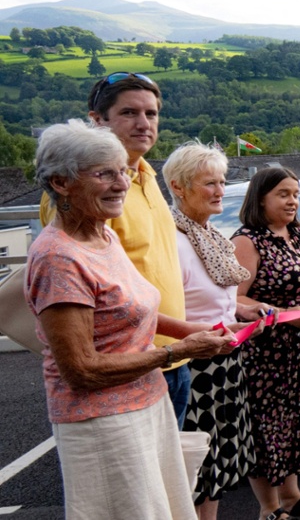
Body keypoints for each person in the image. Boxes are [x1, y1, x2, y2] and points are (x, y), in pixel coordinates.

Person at [27, 120, 234, 519]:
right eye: (104, 173)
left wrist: (195, 330)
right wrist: (176, 351)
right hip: (103, 423)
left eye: (122, 171)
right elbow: (81, 369)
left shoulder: (104, 236)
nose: (122, 183)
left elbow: (134, 309)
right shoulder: (58, 258)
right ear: (61, 182)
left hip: (146, 404)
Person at [40, 72, 192, 426]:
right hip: (123, 366)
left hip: (167, 359)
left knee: (167, 477)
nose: (143, 123)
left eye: (151, 114)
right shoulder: (83, 195)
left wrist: (188, 333)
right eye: (128, 113)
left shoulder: (145, 177)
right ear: (96, 120)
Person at [231, 167, 300, 519]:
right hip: (267, 353)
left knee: (296, 422)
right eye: (283, 194)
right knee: (268, 428)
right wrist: (282, 312)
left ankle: (291, 497)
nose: (292, 200)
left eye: (295, 194)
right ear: (261, 198)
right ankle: (269, 508)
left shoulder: (296, 232)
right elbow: (235, 300)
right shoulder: (247, 241)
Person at [164, 142, 260, 520]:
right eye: (209, 183)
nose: (220, 190)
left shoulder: (209, 235)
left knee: (218, 460)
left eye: (222, 182)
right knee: (195, 465)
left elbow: (217, 299)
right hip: (194, 364)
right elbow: (166, 310)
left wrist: (246, 310)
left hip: (225, 359)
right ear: (178, 186)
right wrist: (213, 331)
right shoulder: (172, 241)